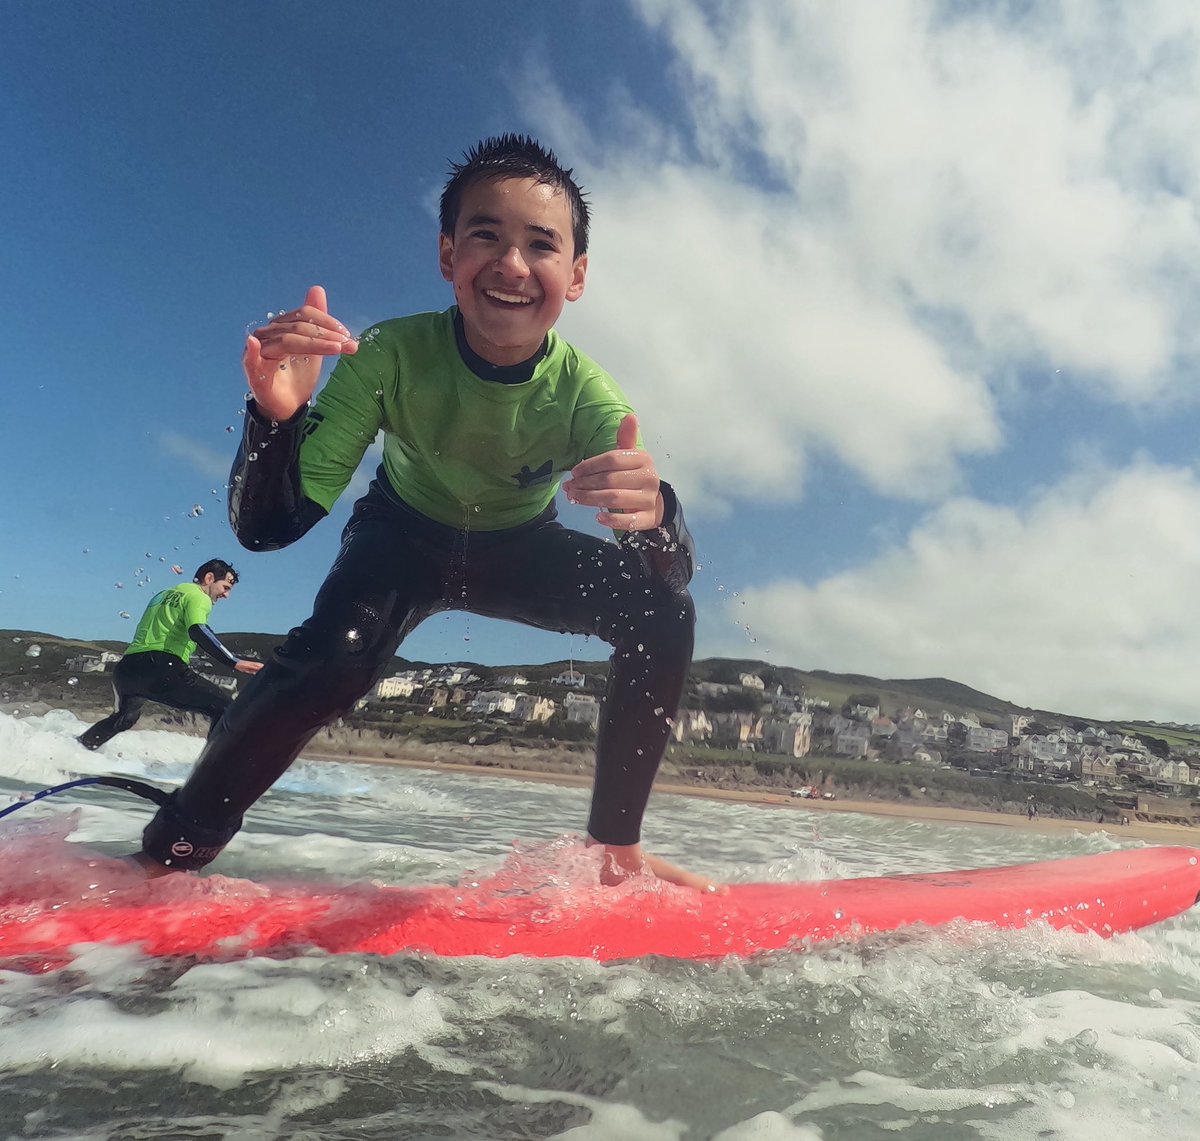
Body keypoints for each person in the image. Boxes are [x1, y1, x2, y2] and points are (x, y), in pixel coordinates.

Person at [133, 135, 715, 891]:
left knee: (663, 614)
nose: (511, 264)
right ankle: (173, 851)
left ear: (575, 276)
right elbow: (267, 529)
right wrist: (276, 421)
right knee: (338, 653)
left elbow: (668, 575)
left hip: (518, 547)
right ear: (448, 255)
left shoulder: (589, 399)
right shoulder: (389, 354)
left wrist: (656, 515)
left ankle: (614, 852)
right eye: (486, 235)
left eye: (541, 244)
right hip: (400, 536)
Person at [78, 560, 263, 750]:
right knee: (226, 708)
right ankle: (212, 766)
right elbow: (198, 629)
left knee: (124, 719)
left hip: (127, 669)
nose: (226, 595)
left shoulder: (162, 594)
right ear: (209, 578)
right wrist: (233, 661)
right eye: (225, 587)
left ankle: (77, 749)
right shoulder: (199, 597)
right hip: (161, 668)